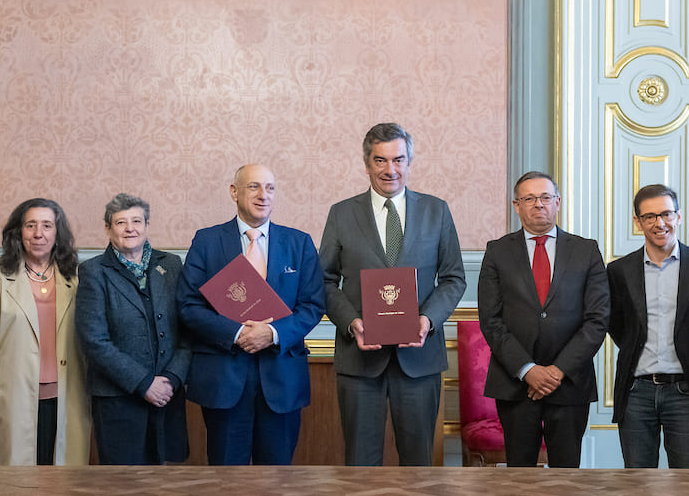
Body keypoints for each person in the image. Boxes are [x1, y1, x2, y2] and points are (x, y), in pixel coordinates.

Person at [319, 123, 466, 466]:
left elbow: (454, 278)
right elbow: (323, 280)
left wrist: (427, 320)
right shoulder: (342, 213)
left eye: (398, 160)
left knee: (418, 464)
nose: (390, 170)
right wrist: (351, 322)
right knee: (361, 463)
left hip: (419, 359)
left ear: (409, 162)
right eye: (380, 161)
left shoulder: (436, 210)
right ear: (367, 164)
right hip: (360, 361)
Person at [178, 164, 324, 465]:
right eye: (254, 187)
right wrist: (237, 334)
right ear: (234, 192)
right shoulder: (207, 241)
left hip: (282, 379)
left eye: (270, 188)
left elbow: (312, 306)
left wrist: (271, 334)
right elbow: (188, 305)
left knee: (277, 479)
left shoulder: (299, 243)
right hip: (224, 379)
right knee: (227, 478)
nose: (263, 195)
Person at [477, 171, 609, 468]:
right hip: (515, 384)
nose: (539, 204)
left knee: (566, 474)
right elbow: (491, 319)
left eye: (546, 197)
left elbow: (597, 319)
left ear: (557, 202)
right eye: (529, 198)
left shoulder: (586, 251)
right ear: (516, 205)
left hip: (570, 382)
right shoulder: (497, 252)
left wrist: (557, 371)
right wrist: (528, 370)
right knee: (520, 477)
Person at [607, 184, 689, 468]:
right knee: (638, 481)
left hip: (687, 392)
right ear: (637, 222)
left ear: (679, 216)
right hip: (636, 392)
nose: (659, 223)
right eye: (649, 216)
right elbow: (617, 325)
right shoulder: (618, 271)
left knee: (688, 483)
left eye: (666, 214)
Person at [0, 198, 90, 466]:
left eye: (47, 225)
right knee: (15, 484)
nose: (38, 233)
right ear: (18, 232)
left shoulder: (77, 279)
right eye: (30, 225)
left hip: (68, 395)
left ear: (57, 233)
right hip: (12, 399)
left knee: (64, 481)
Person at [76, 193, 192, 464]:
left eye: (137, 221)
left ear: (147, 225)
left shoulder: (171, 265)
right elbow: (94, 340)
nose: (130, 228)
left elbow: (188, 331)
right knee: (124, 483)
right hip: (119, 399)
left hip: (168, 396)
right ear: (108, 228)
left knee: (170, 480)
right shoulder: (94, 271)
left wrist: (171, 380)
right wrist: (144, 384)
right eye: (121, 222)